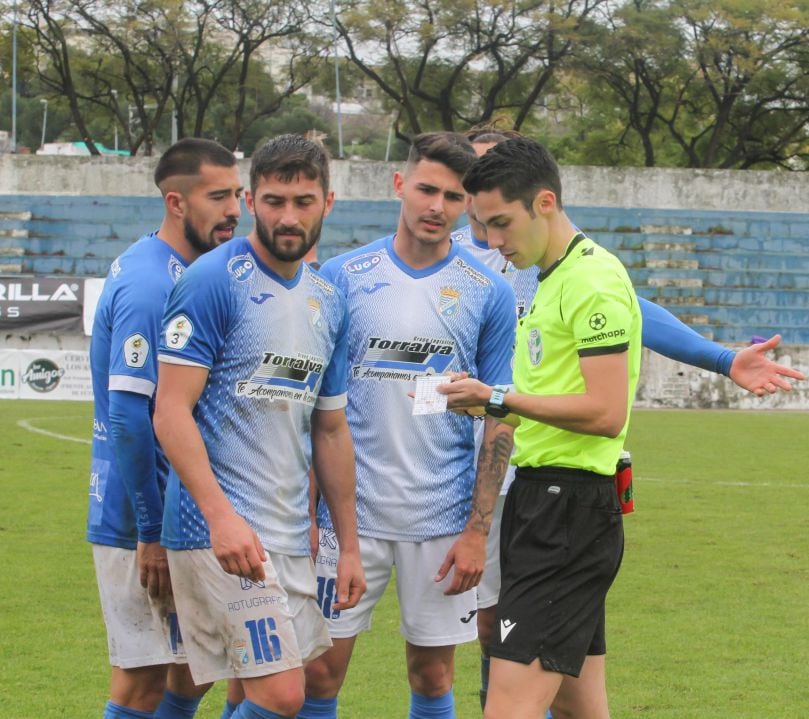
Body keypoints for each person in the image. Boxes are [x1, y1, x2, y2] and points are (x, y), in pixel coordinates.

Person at [455, 125, 807, 713]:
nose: (492, 241)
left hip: (566, 511)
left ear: (545, 203)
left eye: (501, 223)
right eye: (483, 225)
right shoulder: (552, 276)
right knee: (579, 707)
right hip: (542, 502)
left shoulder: (592, 279)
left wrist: (497, 399)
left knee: (509, 708)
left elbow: (605, 411)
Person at [302, 132, 517, 719]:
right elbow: (315, 410)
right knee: (318, 673)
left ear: (468, 204)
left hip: (442, 520)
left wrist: (477, 532)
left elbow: (499, 419)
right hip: (350, 517)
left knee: (433, 674)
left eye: (453, 197)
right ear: (399, 184)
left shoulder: (488, 292)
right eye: (426, 189)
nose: (436, 207)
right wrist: (310, 514)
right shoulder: (343, 277)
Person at [152, 134, 364, 719]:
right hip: (216, 530)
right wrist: (221, 518)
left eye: (303, 201)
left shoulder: (328, 299)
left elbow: (331, 430)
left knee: (258, 688)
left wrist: (347, 546)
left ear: (328, 202)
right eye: (274, 201)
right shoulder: (213, 280)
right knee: (282, 695)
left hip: (289, 533)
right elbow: (170, 411)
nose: (288, 217)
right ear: (250, 201)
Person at [87, 138, 243, 719]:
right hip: (140, 518)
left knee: (194, 670)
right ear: (176, 202)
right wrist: (150, 531)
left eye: (237, 194)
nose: (235, 210)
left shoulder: (185, 272)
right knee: (143, 681)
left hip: (178, 512)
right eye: (218, 196)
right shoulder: (152, 284)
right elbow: (128, 416)